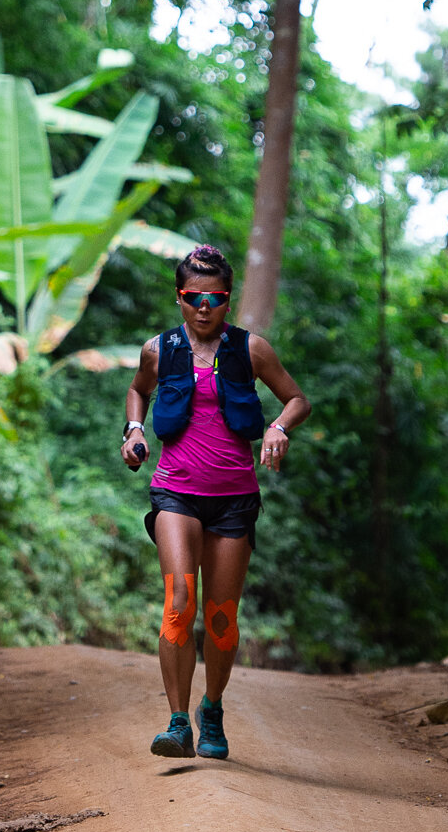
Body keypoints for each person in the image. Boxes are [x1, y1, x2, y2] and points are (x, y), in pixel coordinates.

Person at [121, 243, 310, 761]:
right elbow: (138, 391)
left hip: (233, 501)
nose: (204, 308)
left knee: (222, 616)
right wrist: (134, 431)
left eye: (216, 298)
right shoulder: (159, 350)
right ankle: (178, 721)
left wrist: (277, 427)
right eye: (193, 297)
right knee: (179, 603)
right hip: (175, 493)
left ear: (228, 300)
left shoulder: (252, 350)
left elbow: (298, 399)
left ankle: (213, 708)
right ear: (179, 298)